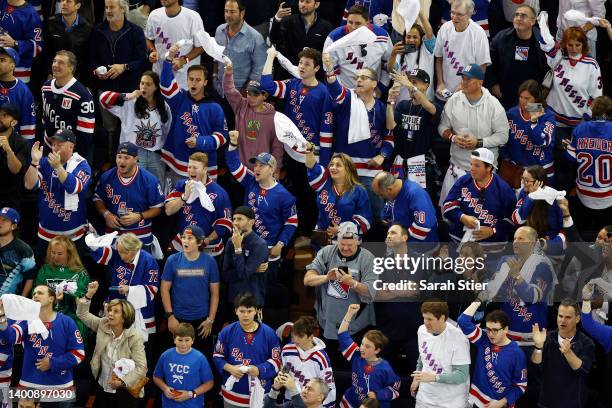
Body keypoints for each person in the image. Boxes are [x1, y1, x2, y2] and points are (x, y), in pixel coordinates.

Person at [322, 53, 393, 219]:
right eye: (357, 77)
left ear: (374, 83)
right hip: (345, 170)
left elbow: (389, 136)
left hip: (371, 170)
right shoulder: (347, 99)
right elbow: (335, 89)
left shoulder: (382, 108)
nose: (359, 80)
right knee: (342, 213)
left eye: (364, 77)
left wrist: (383, 156)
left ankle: (375, 246)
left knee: (376, 215)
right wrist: (330, 71)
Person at [438, 64, 509, 207]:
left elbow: (503, 136)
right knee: (450, 214)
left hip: (484, 174)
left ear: (481, 82)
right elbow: (442, 127)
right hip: (457, 167)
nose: (463, 82)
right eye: (463, 78)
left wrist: (479, 142)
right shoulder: (454, 100)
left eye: (468, 79)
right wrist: (453, 137)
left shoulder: (494, 105)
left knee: (481, 217)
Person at [226, 135, 298, 274]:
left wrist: (280, 244)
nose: (256, 168)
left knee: (264, 290)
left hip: (269, 248)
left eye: (261, 165)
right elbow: (233, 164)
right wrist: (233, 144)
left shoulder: (284, 196)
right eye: (256, 164)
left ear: (272, 169)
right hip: (245, 244)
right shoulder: (250, 180)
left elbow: (292, 222)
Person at [90, 0, 148, 160]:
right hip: (106, 88)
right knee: (109, 128)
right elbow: (92, 59)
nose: (108, 10)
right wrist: (96, 71)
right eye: (107, 7)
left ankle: (130, 162)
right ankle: (110, 161)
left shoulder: (135, 31)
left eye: (112, 7)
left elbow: (142, 60)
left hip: (129, 89)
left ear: (123, 9)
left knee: (129, 127)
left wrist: (124, 67)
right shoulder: (97, 31)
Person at [0, 285, 85, 395]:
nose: (35, 295)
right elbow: (11, 337)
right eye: (34, 294)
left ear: (51, 299)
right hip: (29, 386)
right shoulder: (26, 321)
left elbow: (78, 354)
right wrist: (2, 318)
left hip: (61, 388)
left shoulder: (67, 322)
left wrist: (53, 363)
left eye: (40, 293)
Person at [160, 46, 228, 182]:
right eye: (191, 79)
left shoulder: (215, 107)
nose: (194, 82)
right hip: (178, 164)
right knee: (178, 201)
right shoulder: (179, 98)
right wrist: (168, 60)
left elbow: (222, 137)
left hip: (204, 168)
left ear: (205, 82)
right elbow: (166, 86)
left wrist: (200, 141)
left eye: (198, 80)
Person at [76, 281, 147, 407]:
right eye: (109, 310)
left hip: (124, 390)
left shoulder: (134, 336)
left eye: (115, 311)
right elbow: (82, 314)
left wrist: (122, 381)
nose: (110, 313)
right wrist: (89, 295)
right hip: (102, 386)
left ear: (125, 317)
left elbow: (141, 367)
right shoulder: (103, 324)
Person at [24, 130, 92, 260]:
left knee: (74, 276)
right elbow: (29, 184)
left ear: (71, 146)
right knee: (45, 274)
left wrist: (58, 167)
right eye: (53, 144)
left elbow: (74, 187)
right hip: (46, 234)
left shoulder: (82, 165)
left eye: (59, 145)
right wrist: (34, 162)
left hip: (73, 236)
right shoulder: (44, 162)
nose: (54, 148)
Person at [483, 226, 555, 346]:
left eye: (521, 238)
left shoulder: (543, 266)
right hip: (506, 336)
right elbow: (493, 292)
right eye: (515, 238)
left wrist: (516, 275)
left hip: (533, 339)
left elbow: (531, 298)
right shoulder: (506, 260)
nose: (516, 241)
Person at [303, 222, 376, 341]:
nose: (345, 248)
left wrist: (352, 283)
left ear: (358, 240)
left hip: (355, 327)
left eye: (350, 245)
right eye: (342, 244)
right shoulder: (327, 252)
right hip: (326, 324)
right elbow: (307, 280)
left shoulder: (368, 258)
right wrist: (326, 278)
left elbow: (371, 292)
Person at [99, 71, 172, 184]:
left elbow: (167, 131)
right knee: (134, 187)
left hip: (155, 154)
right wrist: (129, 96)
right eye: (142, 83)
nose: (144, 86)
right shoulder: (130, 102)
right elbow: (103, 98)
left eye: (148, 84)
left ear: (156, 87)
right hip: (133, 153)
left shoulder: (164, 106)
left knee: (157, 188)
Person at [213, 293, 281, 408]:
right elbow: (217, 356)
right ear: (236, 311)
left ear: (256, 311)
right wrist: (231, 368)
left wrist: (259, 370)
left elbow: (277, 361)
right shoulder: (227, 332)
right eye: (242, 311)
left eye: (249, 311)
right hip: (232, 395)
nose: (246, 315)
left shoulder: (269, 333)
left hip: (261, 394)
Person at [93, 142, 165, 251]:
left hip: (140, 236)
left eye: (126, 158)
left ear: (136, 159)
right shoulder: (106, 177)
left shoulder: (149, 180)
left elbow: (158, 208)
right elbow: (98, 199)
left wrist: (139, 216)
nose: (121, 161)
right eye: (119, 157)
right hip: (113, 236)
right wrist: (106, 214)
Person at [89, 233, 160, 340]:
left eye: (124, 253)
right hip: (116, 306)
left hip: (139, 312)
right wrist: (92, 242)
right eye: (119, 251)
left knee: (138, 347)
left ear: (134, 250)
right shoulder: (117, 254)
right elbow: (101, 253)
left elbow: (152, 290)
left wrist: (130, 290)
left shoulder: (149, 261)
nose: (121, 256)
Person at [161, 225, 220, 354]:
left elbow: (215, 293)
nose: (185, 241)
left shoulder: (210, 262)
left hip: (202, 321)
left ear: (199, 242)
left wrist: (210, 320)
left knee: (202, 359)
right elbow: (164, 289)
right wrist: (170, 316)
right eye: (183, 237)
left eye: (190, 238)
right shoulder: (172, 260)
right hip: (178, 319)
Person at [442, 148, 516, 251]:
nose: (471, 168)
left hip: (490, 249)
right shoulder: (463, 181)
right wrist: (462, 217)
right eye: (471, 164)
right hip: (459, 242)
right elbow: (447, 206)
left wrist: (493, 230)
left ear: (489, 167)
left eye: (477, 165)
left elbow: (513, 220)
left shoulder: (504, 190)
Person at [458, 303, 527, 408]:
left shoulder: (517, 353)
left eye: (495, 330)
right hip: (476, 401)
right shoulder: (483, 338)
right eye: (488, 329)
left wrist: (501, 403)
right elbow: (462, 321)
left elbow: (521, 386)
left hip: (500, 404)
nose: (490, 334)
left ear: (505, 329)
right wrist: (478, 300)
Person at [165, 152, 232, 256]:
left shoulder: (219, 193)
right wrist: (184, 197)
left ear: (205, 169)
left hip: (209, 249)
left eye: (195, 168)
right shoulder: (182, 185)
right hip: (182, 245)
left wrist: (207, 239)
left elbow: (224, 222)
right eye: (189, 167)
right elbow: (168, 211)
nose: (191, 170)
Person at [531, 299, 595, 408]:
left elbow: (583, 370)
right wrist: (538, 346)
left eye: (568, 317)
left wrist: (568, 352)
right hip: (546, 403)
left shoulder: (586, 342)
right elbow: (536, 366)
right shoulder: (547, 337)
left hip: (573, 403)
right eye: (560, 316)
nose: (563, 321)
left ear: (577, 319)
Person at [387, 70, 441, 196]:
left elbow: (430, 108)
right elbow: (390, 125)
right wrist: (390, 102)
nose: (410, 85)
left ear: (427, 85)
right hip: (401, 160)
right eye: (409, 81)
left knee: (419, 199)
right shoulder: (403, 105)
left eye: (415, 82)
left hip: (421, 163)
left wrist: (409, 85)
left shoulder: (434, 106)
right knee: (397, 198)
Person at [222, 62, 284, 173]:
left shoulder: (274, 117)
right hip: (238, 168)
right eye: (249, 93)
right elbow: (229, 90)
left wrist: (276, 168)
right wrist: (228, 74)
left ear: (265, 96)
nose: (251, 98)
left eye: (255, 95)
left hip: (262, 171)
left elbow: (277, 146)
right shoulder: (241, 105)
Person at [540, 26, 602, 135]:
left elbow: (596, 96)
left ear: (583, 44)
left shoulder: (592, 65)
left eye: (577, 45)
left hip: (579, 122)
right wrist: (543, 26)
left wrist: (586, 119)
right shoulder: (558, 57)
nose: (574, 49)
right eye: (570, 45)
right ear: (564, 44)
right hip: (554, 119)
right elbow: (546, 45)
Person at [337, 304, 401, 407]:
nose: (362, 348)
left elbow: (395, 389)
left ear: (377, 350)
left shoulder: (385, 368)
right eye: (362, 344)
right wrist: (349, 314)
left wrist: (377, 394)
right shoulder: (356, 356)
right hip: (351, 403)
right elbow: (342, 334)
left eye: (367, 346)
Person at [487, 5, 548, 109]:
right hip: (505, 96)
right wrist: (493, 84)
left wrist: (543, 92)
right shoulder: (501, 38)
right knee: (507, 123)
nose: (518, 18)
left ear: (533, 22)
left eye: (523, 16)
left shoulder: (544, 42)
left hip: (533, 99)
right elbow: (489, 62)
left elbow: (550, 71)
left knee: (535, 123)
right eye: (516, 15)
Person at [412, 300, 470, 408]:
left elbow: (462, 375)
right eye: (424, 318)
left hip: (451, 402)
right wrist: (417, 377)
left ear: (442, 318)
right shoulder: (422, 330)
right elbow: (422, 356)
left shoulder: (458, 338)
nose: (425, 322)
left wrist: (435, 377)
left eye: (430, 319)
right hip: (425, 398)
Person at [566, 95, 611, 230]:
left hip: (583, 195)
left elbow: (570, 159)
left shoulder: (580, 129)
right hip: (608, 197)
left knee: (582, 241)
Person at [41, 51, 96, 162]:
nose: (55, 65)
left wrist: (75, 158)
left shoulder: (82, 94)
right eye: (54, 61)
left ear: (71, 68)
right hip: (49, 147)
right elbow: (45, 118)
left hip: (72, 153)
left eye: (61, 63)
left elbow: (86, 133)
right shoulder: (46, 87)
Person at [305, 150, 372, 239]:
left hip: (347, 242)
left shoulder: (359, 191)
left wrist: (342, 230)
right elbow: (312, 167)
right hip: (322, 239)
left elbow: (365, 221)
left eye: (338, 165)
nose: (333, 167)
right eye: (332, 164)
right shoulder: (324, 183)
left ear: (348, 169)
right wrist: (309, 151)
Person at [35, 235, 90, 344]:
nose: (55, 257)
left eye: (60, 254)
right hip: (46, 316)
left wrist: (67, 294)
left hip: (72, 317)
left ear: (69, 254)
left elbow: (82, 296)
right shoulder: (45, 270)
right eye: (53, 253)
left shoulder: (80, 273)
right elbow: (37, 292)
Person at [433, 0, 490, 103]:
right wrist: (440, 83)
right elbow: (439, 58)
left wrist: (464, 86)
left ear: (469, 15)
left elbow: (482, 67)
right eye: (452, 13)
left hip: (467, 96)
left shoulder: (478, 33)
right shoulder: (444, 28)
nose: (454, 17)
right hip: (444, 94)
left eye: (459, 14)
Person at [323, 5, 392, 90]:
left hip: (372, 92)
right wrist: (341, 92)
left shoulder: (382, 36)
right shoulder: (334, 38)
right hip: (346, 92)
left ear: (367, 23)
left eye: (358, 23)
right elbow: (330, 69)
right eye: (350, 22)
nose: (353, 27)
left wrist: (381, 88)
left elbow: (387, 65)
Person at [502, 80, 555, 187]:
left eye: (527, 98)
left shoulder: (547, 115)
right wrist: (507, 157)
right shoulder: (512, 113)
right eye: (521, 97)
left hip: (540, 171)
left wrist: (534, 122)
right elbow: (503, 139)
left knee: (538, 203)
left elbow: (541, 142)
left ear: (536, 99)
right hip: (516, 170)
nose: (523, 101)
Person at [145, 0, 205, 89]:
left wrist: (184, 60)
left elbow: (202, 46)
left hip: (184, 80)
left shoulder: (193, 17)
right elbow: (148, 38)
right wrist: (152, 51)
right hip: (160, 76)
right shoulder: (154, 15)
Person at [153, 322, 215, 407]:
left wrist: (190, 394)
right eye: (180, 340)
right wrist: (165, 388)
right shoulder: (165, 355)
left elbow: (209, 383)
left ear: (193, 340)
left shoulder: (200, 358)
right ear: (174, 339)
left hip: (193, 405)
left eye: (187, 340)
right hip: (169, 405)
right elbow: (156, 377)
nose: (183, 344)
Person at [280, 316, 336, 407]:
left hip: (310, 404)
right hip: (289, 401)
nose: (295, 339)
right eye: (294, 334)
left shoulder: (321, 358)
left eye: (300, 336)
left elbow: (328, 387)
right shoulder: (287, 350)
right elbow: (284, 370)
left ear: (310, 337)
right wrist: (282, 374)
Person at [214, 0, 267, 96]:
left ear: (242, 13)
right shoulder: (219, 30)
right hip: (219, 91)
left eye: (232, 12)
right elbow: (215, 57)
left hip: (240, 95)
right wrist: (214, 77)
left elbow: (258, 70)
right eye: (226, 11)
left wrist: (245, 92)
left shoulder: (255, 37)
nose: (228, 15)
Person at [269, 0, 333, 80]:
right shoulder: (288, 21)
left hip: (312, 77)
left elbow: (326, 53)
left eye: (307, 2)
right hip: (286, 74)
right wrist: (277, 19)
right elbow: (275, 39)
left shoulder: (326, 27)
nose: (303, 4)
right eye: (301, 1)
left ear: (316, 4)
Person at [222, 206, 269, 308]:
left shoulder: (260, 244)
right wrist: (252, 270)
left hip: (252, 300)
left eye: (240, 219)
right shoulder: (230, 242)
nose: (235, 222)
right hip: (233, 298)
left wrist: (238, 248)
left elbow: (242, 274)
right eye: (234, 219)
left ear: (251, 222)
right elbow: (225, 275)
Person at [373, 171, 438, 245]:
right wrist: (386, 219)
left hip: (421, 247)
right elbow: (387, 213)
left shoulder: (415, 194)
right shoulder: (394, 192)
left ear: (389, 189)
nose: (380, 197)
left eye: (381, 195)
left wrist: (401, 239)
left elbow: (423, 227)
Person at [388, 9, 436, 102]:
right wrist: (393, 54)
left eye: (415, 37)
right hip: (402, 101)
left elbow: (429, 33)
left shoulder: (426, 49)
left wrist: (420, 11)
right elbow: (391, 70)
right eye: (408, 37)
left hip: (424, 101)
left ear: (421, 38)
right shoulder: (400, 52)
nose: (411, 40)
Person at [512, 166, 564, 251]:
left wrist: (549, 245)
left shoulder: (554, 197)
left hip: (551, 244)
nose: (523, 183)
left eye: (527, 180)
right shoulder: (524, 193)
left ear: (539, 182)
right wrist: (531, 197)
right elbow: (517, 219)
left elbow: (564, 228)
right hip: (529, 242)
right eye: (522, 179)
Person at [43, 0, 93, 84]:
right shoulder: (50, 23)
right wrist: (48, 73)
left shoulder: (87, 27)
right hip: (54, 77)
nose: (64, 3)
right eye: (62, 0)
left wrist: (86, 82)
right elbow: (45, 52)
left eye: (68, 1)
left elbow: (88, 57)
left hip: (77, 79)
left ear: (78, 5)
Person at [0, 0, 42, 84]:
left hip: (18, 71)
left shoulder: (30, 14)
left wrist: (15, 43)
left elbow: (38, 47)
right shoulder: (2, 3)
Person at [0, 48, 36, 142]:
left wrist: (26, 151)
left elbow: (28, 125)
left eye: (2, 60)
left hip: (11, 144)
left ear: (12, 66)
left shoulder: (24, 91)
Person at [0, 103, 30, 210]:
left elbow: (16, 169)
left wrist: (8, 150)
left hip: (9, 199)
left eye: (5, 115)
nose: (0, 118)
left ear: (14, 122)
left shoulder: (22, 143)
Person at [0, 207, 35, 297]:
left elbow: (30, 277)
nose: (0, 222)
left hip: (9, 303)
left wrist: (22, 299)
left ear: (14, 226)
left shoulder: (24, 250)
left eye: (5, 220)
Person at [265, 375, 330, 408]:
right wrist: (275, 389)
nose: (305, 391)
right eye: (305, 387)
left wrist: (293, 390)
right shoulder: (292, 405)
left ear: (320, 397)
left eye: (310, 389)